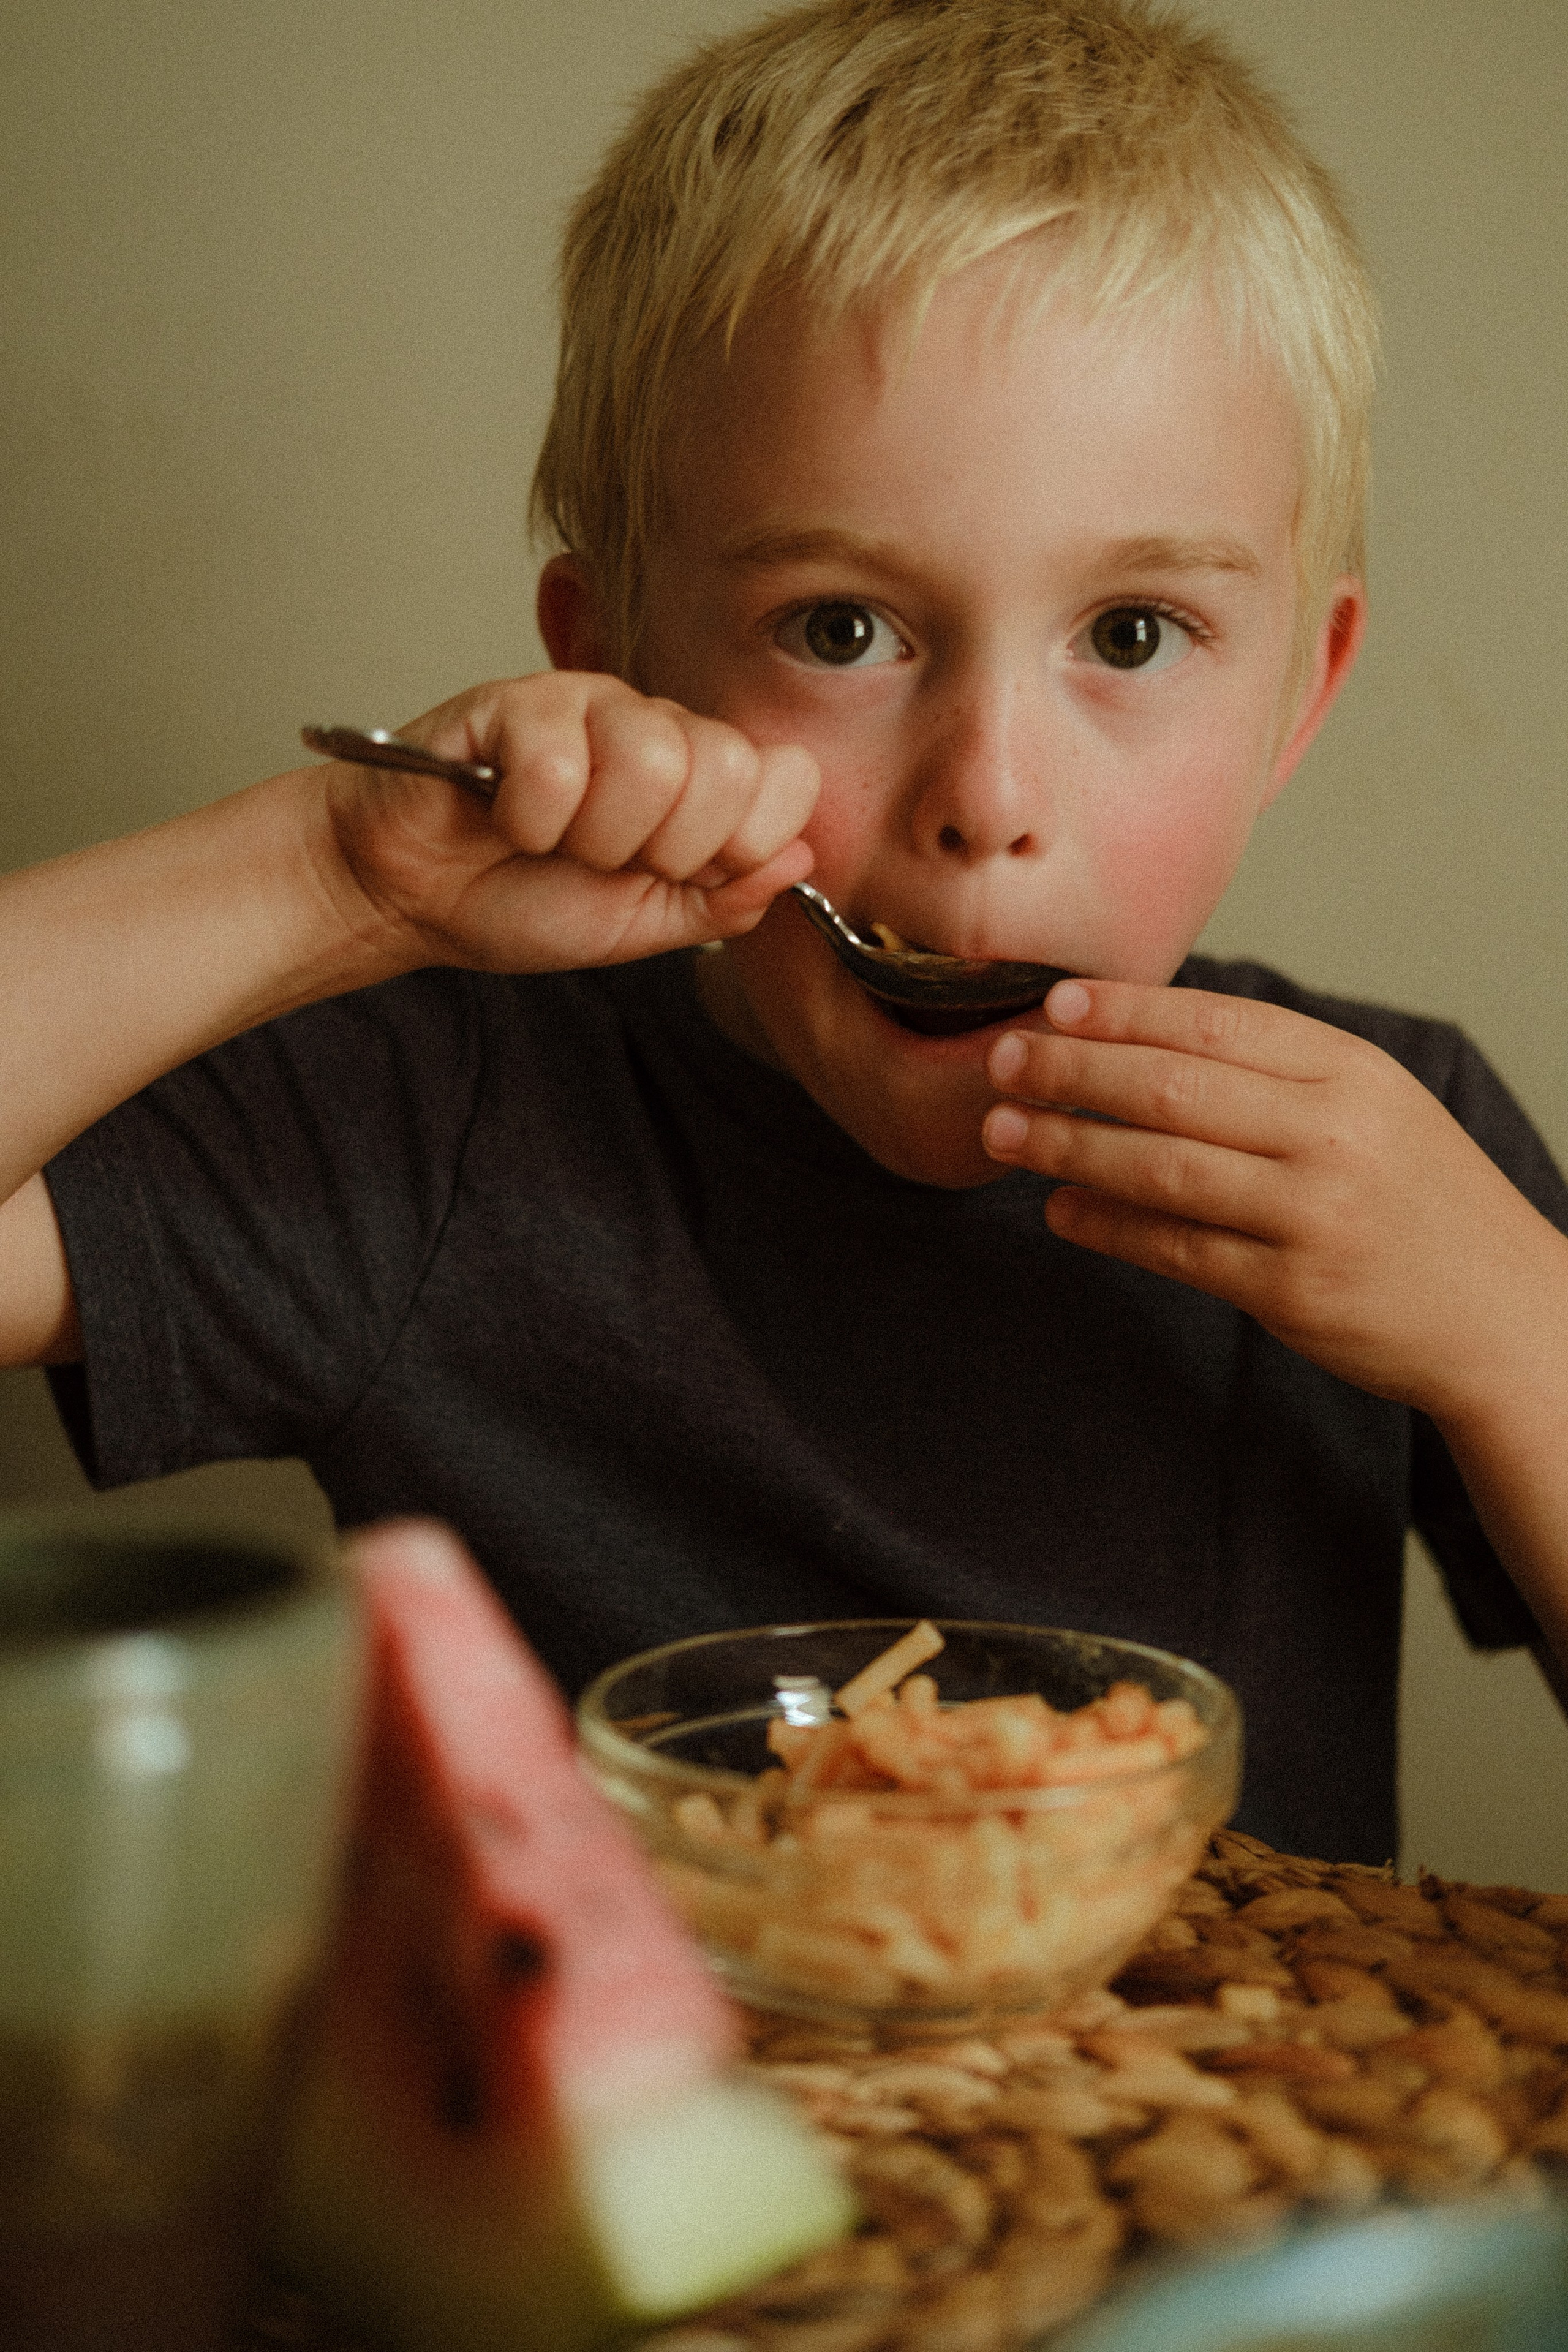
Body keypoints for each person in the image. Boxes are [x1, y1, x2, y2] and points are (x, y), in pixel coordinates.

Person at [2, 0, 1565, 1864]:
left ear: (1298, 700)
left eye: (1132, 635)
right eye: (842, 630)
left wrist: (1512, 1328)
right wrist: (336, 879)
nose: (987, 793)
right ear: (617, 662)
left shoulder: (1401, 1150)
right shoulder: (441, 1125)